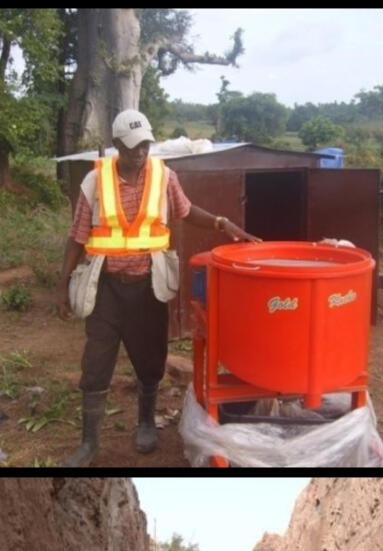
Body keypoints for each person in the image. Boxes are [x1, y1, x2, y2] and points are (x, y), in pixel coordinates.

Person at [57, 108, 261, 467]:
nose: (140, 153)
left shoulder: (164, 177)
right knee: (96, 364)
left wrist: (221, 222)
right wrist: (62, 286)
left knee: (150, 359)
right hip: (106, 289)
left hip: (148, 287)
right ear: (118, 144)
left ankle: (146, 422)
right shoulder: (95, 182)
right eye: (133, 147)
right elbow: (76, 237)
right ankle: (88, 442)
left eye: (146, 145)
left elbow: (185, 210)